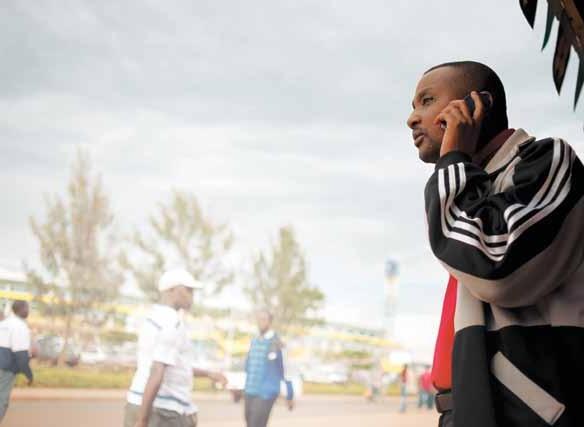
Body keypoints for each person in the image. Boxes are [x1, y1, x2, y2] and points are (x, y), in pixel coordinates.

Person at [407, 60, 584, 427]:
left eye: (427, 100)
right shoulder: (473, 188)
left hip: (528, 414)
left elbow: (494, 264)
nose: (411, 118)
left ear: (478, 105)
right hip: (466, 407)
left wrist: (453, 160)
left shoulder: (546, 160)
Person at [124, 269, 227, 427]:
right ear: (172, 290)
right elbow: (157, 370)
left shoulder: (153, 318)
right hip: (162, 411)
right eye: (188, 290)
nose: (192, 296)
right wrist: (142, 421)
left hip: (140, 402)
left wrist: (209, 373)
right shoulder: (171, 323)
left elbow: (174, 366)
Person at [243, 309, 294, 427]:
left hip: (266, 393)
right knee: (249, 423)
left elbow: (286, 370)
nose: (260, 322)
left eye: (263, 319)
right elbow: (249, 366)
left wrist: (289, 394)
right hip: (250, 390)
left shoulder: (277, 343)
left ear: (270, 322)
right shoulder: (254, 341)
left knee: (256, 424)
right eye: (259, 319)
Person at [0, 300, 33, 422]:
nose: (28, 311)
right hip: (6, 370)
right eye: (27, 308)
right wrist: (29, 374)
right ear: (21, 309)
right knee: (1, 400)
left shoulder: (4, 323)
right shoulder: (20, 326)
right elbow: (20, 354)